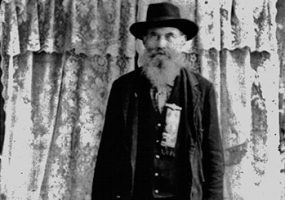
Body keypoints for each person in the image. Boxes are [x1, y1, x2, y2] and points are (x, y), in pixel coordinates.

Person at [92, 2, 224, 200]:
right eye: (154, 35)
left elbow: (213, 158)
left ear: (183, 41)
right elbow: (107, 155)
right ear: (144, 41)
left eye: (169, 36)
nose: (161, 44)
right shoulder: (123, 89)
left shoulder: (203, 90)